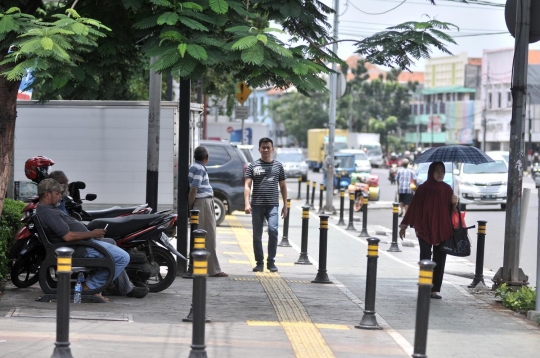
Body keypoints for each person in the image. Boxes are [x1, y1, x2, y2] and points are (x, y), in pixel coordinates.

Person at [35, 178, 149, 300]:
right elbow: (68, 236)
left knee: (112, 244)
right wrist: (92, 234)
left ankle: (124, 288)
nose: (60, 197)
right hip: (78, 247)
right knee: (123, 257)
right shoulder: (48, 213)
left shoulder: (49, 209)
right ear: (47, 194)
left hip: (81, 244)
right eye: (57, 194)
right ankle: (90, 286)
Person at [398, 162, 458, 300]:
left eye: (442, 171)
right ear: (431, 172)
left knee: (440, 259)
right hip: (424, 229)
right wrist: (404, 226)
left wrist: (455, 204)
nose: (440, 174)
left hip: (442, 229)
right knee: (425, 256)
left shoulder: (447, 189)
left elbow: (453, 212)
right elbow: (413, 208)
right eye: (437, 171)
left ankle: (435, 290)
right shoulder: (423, 189)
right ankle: (425, 287)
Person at [244, 137, 288, 272]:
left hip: (273, 205)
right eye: (263, 147)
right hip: (256, 205)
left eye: (268, 147)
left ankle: (271, 261)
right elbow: (247, 185)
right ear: (259, 149)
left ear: (272, 149)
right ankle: (259, 262)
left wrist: (285, 205)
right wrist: (246, 203)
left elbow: (283, 186)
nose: (266, 150)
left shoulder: (278, 166)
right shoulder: (253, 166)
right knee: (257, 235)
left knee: (273, 231)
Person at [188, 146, 228, 277]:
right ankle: (212, 270)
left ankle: (203, 267)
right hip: (203, 203)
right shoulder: (199, 169)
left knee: (203, 236)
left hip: (203, 203)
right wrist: (191, 206)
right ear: (207, 158)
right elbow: (194, 189)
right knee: (209, 236)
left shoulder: (195, 167)